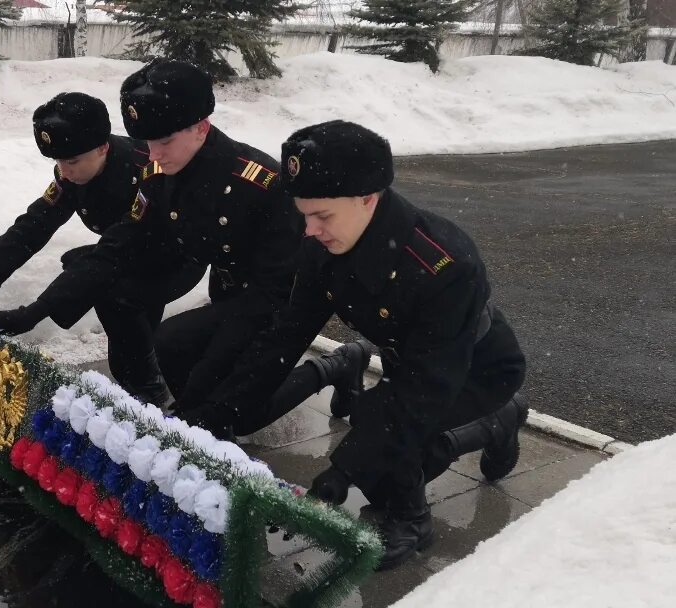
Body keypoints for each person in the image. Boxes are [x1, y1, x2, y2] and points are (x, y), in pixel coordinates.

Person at [178, 120, 528, 570]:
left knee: (386, 447)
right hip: (411, 361)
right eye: (304, 214)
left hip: (477, 368)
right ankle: (476, 433)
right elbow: (284, 337)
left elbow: (426, 388)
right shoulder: (322, 245)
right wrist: (213, 413)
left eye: (322, 215)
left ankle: (416, 516)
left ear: (368, 197)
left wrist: (346, 467)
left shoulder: (442, 263)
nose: (309, 229)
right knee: (381, 433)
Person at [0, 60, 370, 414]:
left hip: (284, 301)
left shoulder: (260, 184)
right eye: (148, 143)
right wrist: (34, 311)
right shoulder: (159, 175)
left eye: (164, 142)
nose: (153, 154)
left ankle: (337, 363)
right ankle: (211, 411)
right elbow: (115, 248)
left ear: (201, 127)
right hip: (232, 290)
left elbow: (270, 295)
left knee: (238, 408)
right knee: (175, 354)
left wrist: (204, 384)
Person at [0, 92, 199, 404]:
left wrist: (35, 312)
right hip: (130, 252)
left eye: (72, 161)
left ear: (103, 147)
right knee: (109, 306)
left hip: (178, 255)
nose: (64, 171)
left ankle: (153, 391)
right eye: (58, 162)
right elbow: (29, 230)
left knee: (112, 294)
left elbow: (112, 255)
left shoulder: (146, 172)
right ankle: (146, 379)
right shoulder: (73, 172)